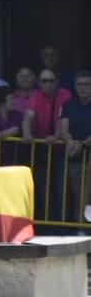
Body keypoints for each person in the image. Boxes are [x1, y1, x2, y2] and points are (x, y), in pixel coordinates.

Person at [60, 71, 91, 223]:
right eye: (79, 84)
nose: (83, 88)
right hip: (76, 158)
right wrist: (70, 141)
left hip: (87, 152)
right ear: (74, 86)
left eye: (86, 84)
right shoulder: (68, 105)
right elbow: (63, 129)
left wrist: (84, 143)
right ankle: (81, 229)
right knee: (80, 195)